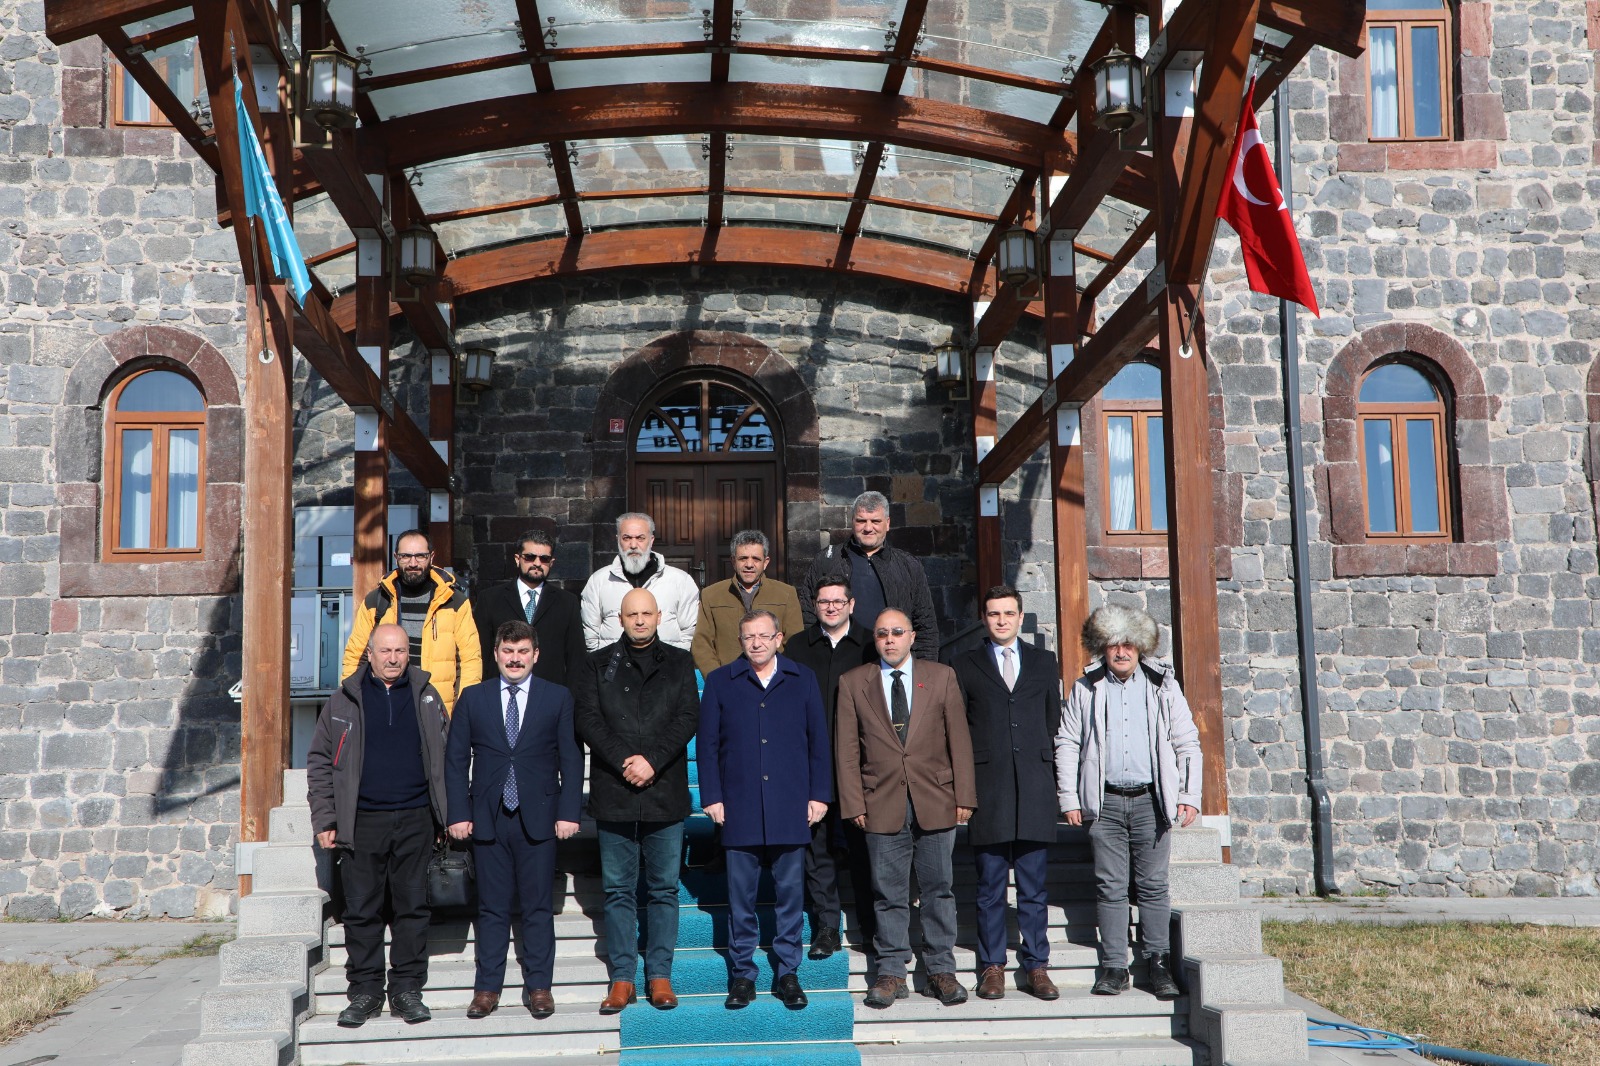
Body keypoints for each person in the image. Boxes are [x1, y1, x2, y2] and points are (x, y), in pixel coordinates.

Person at [1055, 604, 1201, 1000]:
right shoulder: (1085, 687)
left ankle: (1157, 963)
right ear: (1102, 647)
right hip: (1105, 803)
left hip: (1151, 802)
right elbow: (1067, 742)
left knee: (1154, 886)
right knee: (1110, 887)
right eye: (1113, 644)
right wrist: (1070, 796)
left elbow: (1186, 742)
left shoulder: (1162, 685)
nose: (1121, 652)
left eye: (1128, 644)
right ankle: (1115, 966)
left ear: (1141, 647)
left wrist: (1188, 796)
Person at [307, 623, 449, 1028]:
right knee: (362, 910)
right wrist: (326, 817)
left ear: (409, 654)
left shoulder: (426, 696)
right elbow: (319, 762)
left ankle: (406, 988)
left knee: (412, 908)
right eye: (385, 651)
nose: (392, 658)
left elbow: (445, 755)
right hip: (362, 820)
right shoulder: (342, 701)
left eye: (400, 651)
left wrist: (444, 813)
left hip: (416, 817)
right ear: (369, 654)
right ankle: (366, 991)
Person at [835, 609, 976, 1009]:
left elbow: (959, 741)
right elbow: (846, 750)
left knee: (938, 890)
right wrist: (853, 802)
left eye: (898, 632)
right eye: (882, 634)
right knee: (887, 893)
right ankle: (891, 971)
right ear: (875, 640)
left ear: (913, 636)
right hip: (880, 803)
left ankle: (940, 971)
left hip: (936, 799)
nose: (890, 640)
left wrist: (965, 795)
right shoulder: (853, 683)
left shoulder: (941, 676)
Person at [445, 621, 583, 1020]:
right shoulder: (473, 698)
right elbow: (456, 761)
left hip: (539, 818)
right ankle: (487, 989)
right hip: (488, 819)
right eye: (508, 651)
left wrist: (568, 812)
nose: (515, 658)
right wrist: (458, 813)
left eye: (523, 651)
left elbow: (571, 760)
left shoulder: (557, 698)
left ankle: (540, 987)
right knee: (491, 909)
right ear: (496, 654)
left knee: (538, 907)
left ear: (535, 655)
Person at [571, 588, 700, 1014]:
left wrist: (653, 761)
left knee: (664, 888)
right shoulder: (596, 663)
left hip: (664, 791)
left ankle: (660, 975)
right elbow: (587, 718)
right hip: (616, 789)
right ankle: (622, 977)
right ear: (620, 618)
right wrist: (626, 760)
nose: (640, 620)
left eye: (647, 613)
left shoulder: (680, 662)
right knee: (618, 889)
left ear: (660, 616)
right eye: (632, 614)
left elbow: (688, 717)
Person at [697, 610, 832, 1011]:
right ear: (740, 641)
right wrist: (712, 797)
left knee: (791, 895)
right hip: (738, 806)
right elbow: (707, 746)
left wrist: (819, 795)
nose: (756, 642)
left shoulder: (801, 678)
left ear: (779, 638)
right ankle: (743, 974)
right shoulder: (721, 681)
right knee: (742, 897)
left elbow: (817, 742)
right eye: (748, 636)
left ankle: (788, 972)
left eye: (763, 635)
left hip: (791, 803)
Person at [950, 585, 1062, 1001]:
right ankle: (992, 966)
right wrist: (963, 790)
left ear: (1020, 617)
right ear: (984, 617)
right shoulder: (963, 664)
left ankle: (1036, 966)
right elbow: (957, 730)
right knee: (990, 887)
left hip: (1034, 785)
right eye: (994, 613)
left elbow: (1056, 724)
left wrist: (1059, 788)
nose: (1001, 620)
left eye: (1008, 613)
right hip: (988, 788)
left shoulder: (1043, 661)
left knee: (1034, 888)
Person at [783, 573, 878, 958]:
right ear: (815, 606)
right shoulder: (796, 647)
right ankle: (827, 926)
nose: (832, 607)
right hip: (810, 764)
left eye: (839, 601)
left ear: (851, 604)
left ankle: (873, 930)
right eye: (825, 602)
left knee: (865, 849)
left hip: (862, 763)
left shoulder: (873, 644)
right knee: (816, 850)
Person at [342, 529, 482, 714]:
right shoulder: (377, 601)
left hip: (437, 711)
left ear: (431, 557)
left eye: (420, 556)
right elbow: (355, 655)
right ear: (396, 557)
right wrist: (350, 704)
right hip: (386, 707)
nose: (413, 563)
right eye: (406, 556)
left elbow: (470, 661)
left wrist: (464, 711)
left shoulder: (454, 602)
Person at [800, 491, 939, 662]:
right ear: (852, 522)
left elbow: (925, 625)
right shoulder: (827, 561)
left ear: (887, 523)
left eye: (875, 521)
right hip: (838, 661)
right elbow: (807, 613)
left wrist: (924, 672)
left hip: (891, 664)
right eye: (861, 521)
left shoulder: (909, 566)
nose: (868, 528)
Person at [472, 530, 585, 687]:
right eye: (530, 557)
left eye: (544, 559)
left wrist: (572, 703)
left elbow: (576, 659)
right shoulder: (490, 599)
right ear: (518, 559)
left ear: (551, 562)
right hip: (500, 692)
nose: (537, 563)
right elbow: (479, 653)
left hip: (549, 694)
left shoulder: (567, 602)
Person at [690, 530, 805, 677]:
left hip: (775, 681)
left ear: (766, 562)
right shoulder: (712, 595)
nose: (749, 564)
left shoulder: (786, 594)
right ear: (733, 561)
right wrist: (718, 678)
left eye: (756, 559)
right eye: (743, 558)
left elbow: (795, 643)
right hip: (729, 681)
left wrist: (780, 676)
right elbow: (701, 644)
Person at [581, 513, 701, 652]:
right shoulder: (599, 581)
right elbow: (590, 634)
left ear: (651, 540)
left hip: (665, 668)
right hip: (614, 668)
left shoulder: (680, 581)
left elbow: (690, 632)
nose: (633, 545)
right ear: (618, 540)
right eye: (627, 538)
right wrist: (603, 665)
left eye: (640, 538)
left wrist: (674, 661)